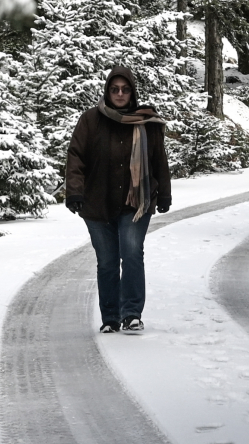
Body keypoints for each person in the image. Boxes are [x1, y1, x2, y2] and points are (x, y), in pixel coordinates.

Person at [64, 65, 172, 334]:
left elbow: (160, 161)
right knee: (107, 262)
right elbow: (75, 157)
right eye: (115, 89)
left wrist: (165, 194)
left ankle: (132, 313)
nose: (120, 94)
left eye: (125, 89)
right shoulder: (90, 120)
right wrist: (75, 191)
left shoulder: (147, 122)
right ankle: (110, 318)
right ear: (107, 91)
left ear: (132, 92)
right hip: (97, 203)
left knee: (132, 254)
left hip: (136, 204)